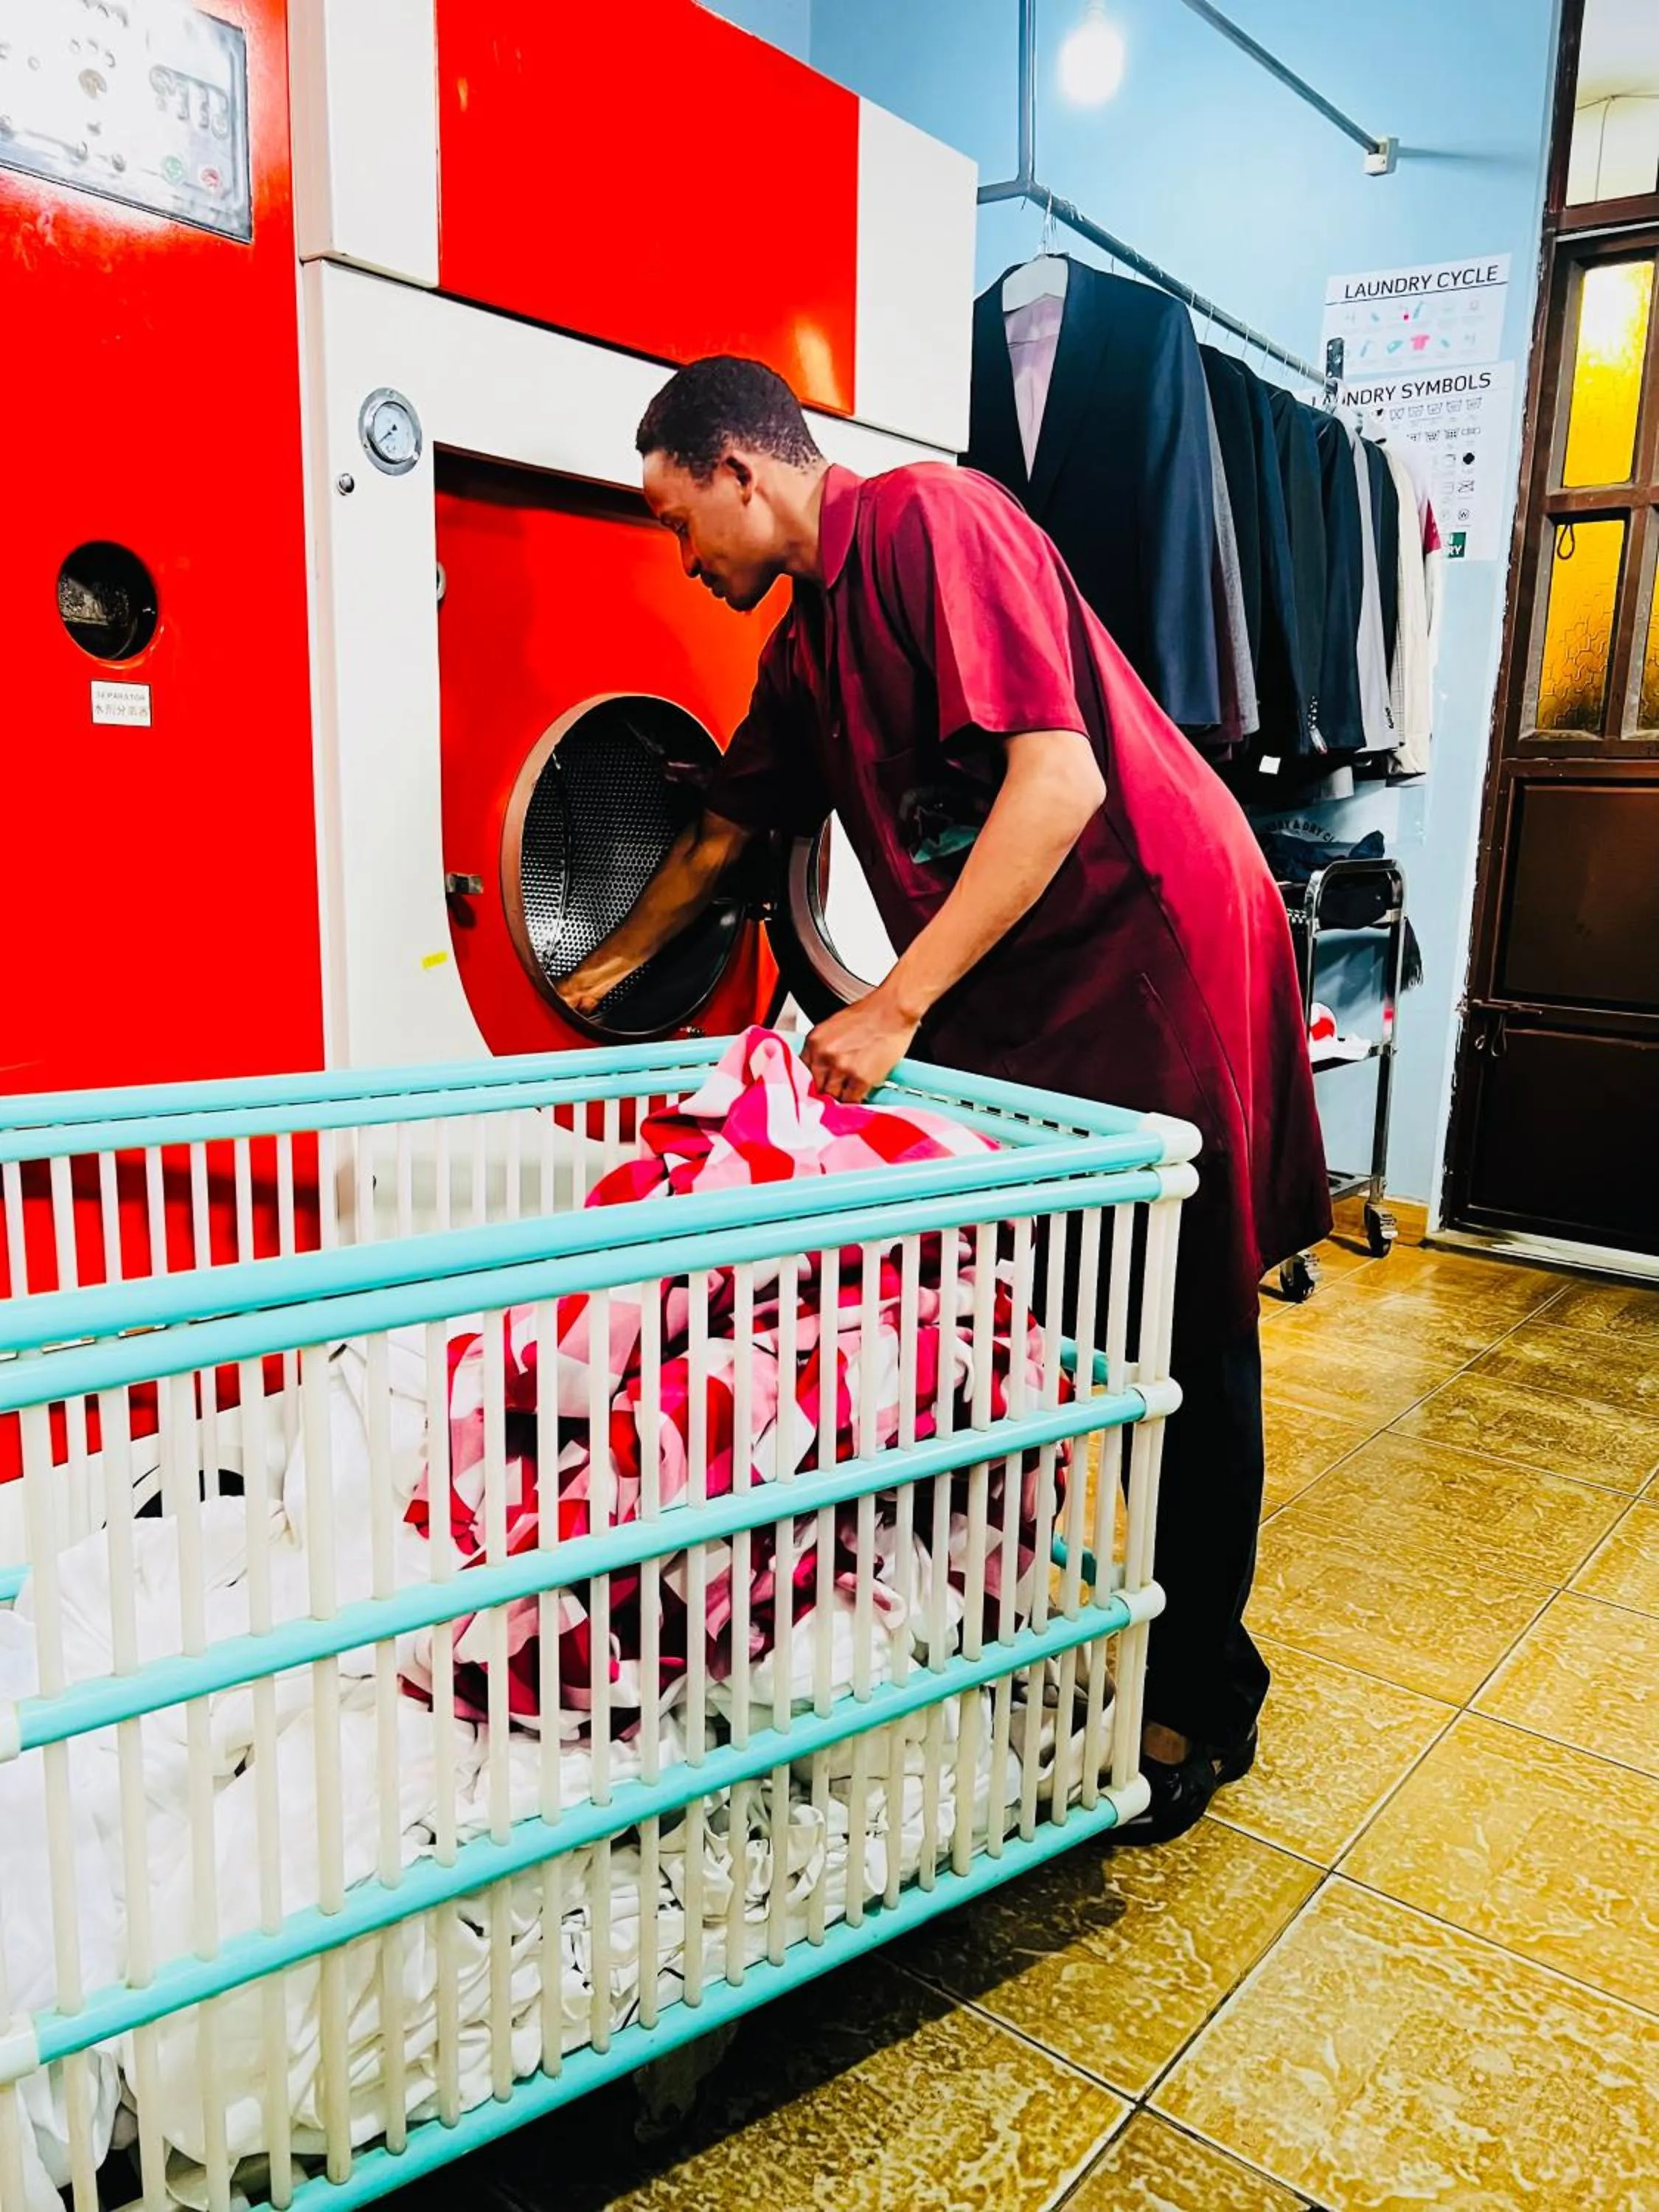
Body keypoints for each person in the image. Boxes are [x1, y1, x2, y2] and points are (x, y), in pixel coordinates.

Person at [559, 355, 1330, 1843]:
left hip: (1146, 933)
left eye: (675, 522)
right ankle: (1073, 1613)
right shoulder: (805, 650)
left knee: (1181, 1315)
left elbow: (1059, 788)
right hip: (1026, 977)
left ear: (744, 471)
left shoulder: (929, 522)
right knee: (1044, 1305)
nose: (682, 554)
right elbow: (730, 839)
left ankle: (1205, 1695)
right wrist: (594, 991)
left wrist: (890, 1006)